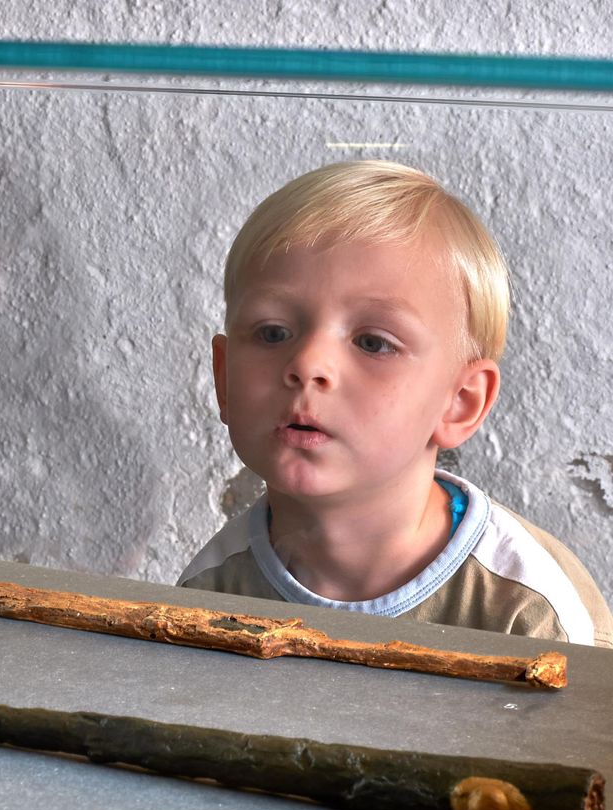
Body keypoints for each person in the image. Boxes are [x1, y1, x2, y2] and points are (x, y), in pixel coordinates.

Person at [178, 160, 613, 647]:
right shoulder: (208, 598)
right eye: (273, 333)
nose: (308, 363)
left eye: (373, 343)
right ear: (223, 376)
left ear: (460, 402)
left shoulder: (531, 616)